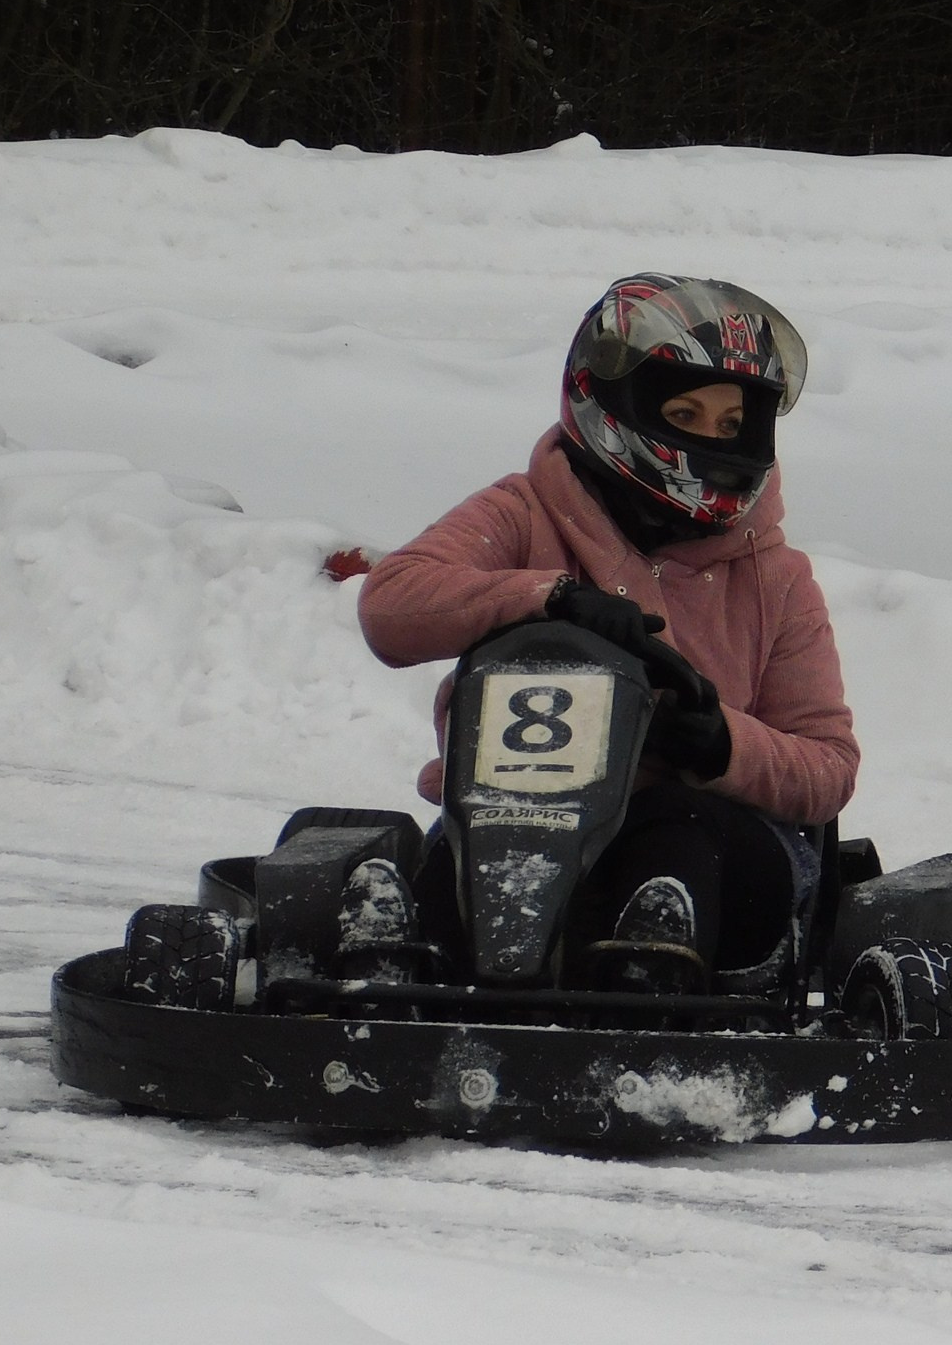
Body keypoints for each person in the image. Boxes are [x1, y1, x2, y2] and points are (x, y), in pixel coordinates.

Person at [357, 274, 857, 991]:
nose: (714, 440)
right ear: (609, 400)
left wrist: (720, 743)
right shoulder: (525, 513)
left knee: (675, 829)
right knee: (466, 848)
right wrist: (547, 600)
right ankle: (400, 974)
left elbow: (829, 768)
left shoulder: (776, 576)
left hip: (716, 851)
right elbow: (392, 605)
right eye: (686, 412)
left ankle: (651, 975)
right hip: (520, 816)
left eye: (730, 423)